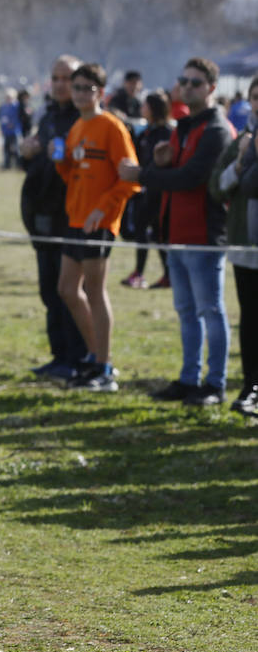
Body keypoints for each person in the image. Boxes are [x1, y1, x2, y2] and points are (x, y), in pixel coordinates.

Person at [121, 57, 233, 405]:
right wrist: (159, 162)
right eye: (183, 80)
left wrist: (143, 175)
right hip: (177, 232)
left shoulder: (215, 129)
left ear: (212, 88)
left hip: (203, 233)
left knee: (210, 311)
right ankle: (188, 378)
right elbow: (175, 170)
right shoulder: (183, 126)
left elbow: (190, 178)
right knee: (186, 311)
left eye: (196, 82)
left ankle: (214, 384)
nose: (187, 86)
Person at [54, 62, 140, 392]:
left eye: (86, 89)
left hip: (99, 222)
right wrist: (61, 161)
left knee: (94, 290)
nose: (78, 94)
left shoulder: (112, 127)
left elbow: (129, 181)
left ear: (100, 93)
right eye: (75, 88)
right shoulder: (77, 127)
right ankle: (95, 354)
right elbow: (73, 174)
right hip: (75, 218)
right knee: (66, 289)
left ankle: (104, 366)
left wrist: (102, 210)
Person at [20, 55, 88, 379]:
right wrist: (28, 153)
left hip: (72, 218)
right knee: (49, 290)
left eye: (68, 78)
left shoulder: (85, 120)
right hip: (42, 216)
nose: (62, 85)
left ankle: (79, 358)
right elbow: (36, 167)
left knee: (69, 292)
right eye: (56, 78)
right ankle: (59, 355)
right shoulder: (48, 116)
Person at [210, 77, 258, 415]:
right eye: (256, 97)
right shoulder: (241, 142)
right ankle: (251, 386)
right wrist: (240, 162)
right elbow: (216, 188)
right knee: (252, 317)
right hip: (246, 246)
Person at [122, 92, 174, 289]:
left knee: (159, 234)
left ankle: (164, 274)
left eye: (145, 105)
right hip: (144, 189)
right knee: (143, 230)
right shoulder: (146, 132)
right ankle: (141, 272)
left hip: (159, 191)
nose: (142, 109)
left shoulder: (167, 133)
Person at [0, 91, 21, 170]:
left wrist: (13, 123)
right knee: (6, 149)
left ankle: (18, 164)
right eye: (7, 97)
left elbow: (19, 117)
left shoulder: (16, 106)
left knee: (16, 148)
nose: (8, 99)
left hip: (14, 131)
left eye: (10, 97)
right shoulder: (3, 107)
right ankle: (7, 164)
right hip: (5, 132)